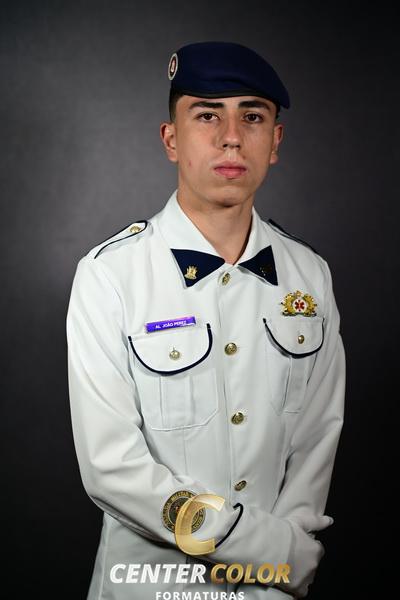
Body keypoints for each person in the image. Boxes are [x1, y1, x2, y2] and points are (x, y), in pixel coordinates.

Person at [66, 41, 346, 600]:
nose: (232, 137)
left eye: (252, 117)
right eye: (207, 115)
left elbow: (318, 439)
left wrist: (280, 570)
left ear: (276, 142)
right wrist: (268, 549)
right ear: (171, 139)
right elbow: (112, 469)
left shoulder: (309, 276)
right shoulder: (109, 275)